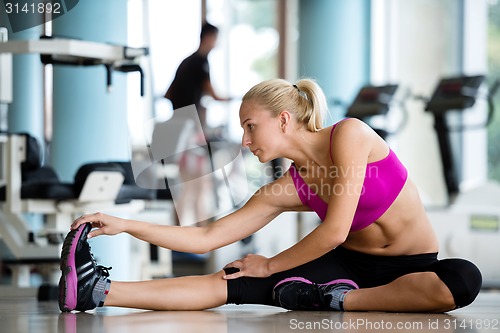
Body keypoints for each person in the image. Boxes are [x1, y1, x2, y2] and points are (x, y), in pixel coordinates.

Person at [59, 78, 482, 313]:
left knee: (463, 279)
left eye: (250, 126)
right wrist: (126, 225)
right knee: (231, 279)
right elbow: (206, 238)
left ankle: (337, 299)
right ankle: (99, 291)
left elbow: (334, 231)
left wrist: (271, 265)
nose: (244, 140)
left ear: (282, 120)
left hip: (415, 267)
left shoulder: (351, 135)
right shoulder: (286, 188)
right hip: (348, 265)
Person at [164, 21, 229, 131]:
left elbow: (168, 94)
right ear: (209, 37)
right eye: (216, 38)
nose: (216, 43)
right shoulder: (200, 62)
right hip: (187, 118)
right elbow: (213, 94)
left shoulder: (189, 61)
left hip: (180, 118)